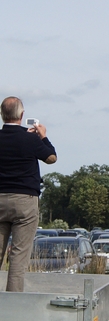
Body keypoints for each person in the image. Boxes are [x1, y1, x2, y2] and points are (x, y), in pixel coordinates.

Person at [0, 97, 57, 292]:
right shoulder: (30, 138)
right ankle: (13, 305)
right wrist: (42, 137)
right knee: (18, 257)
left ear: (1, 114)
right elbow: (51, 158)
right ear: (22, 115)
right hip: (25, 200)